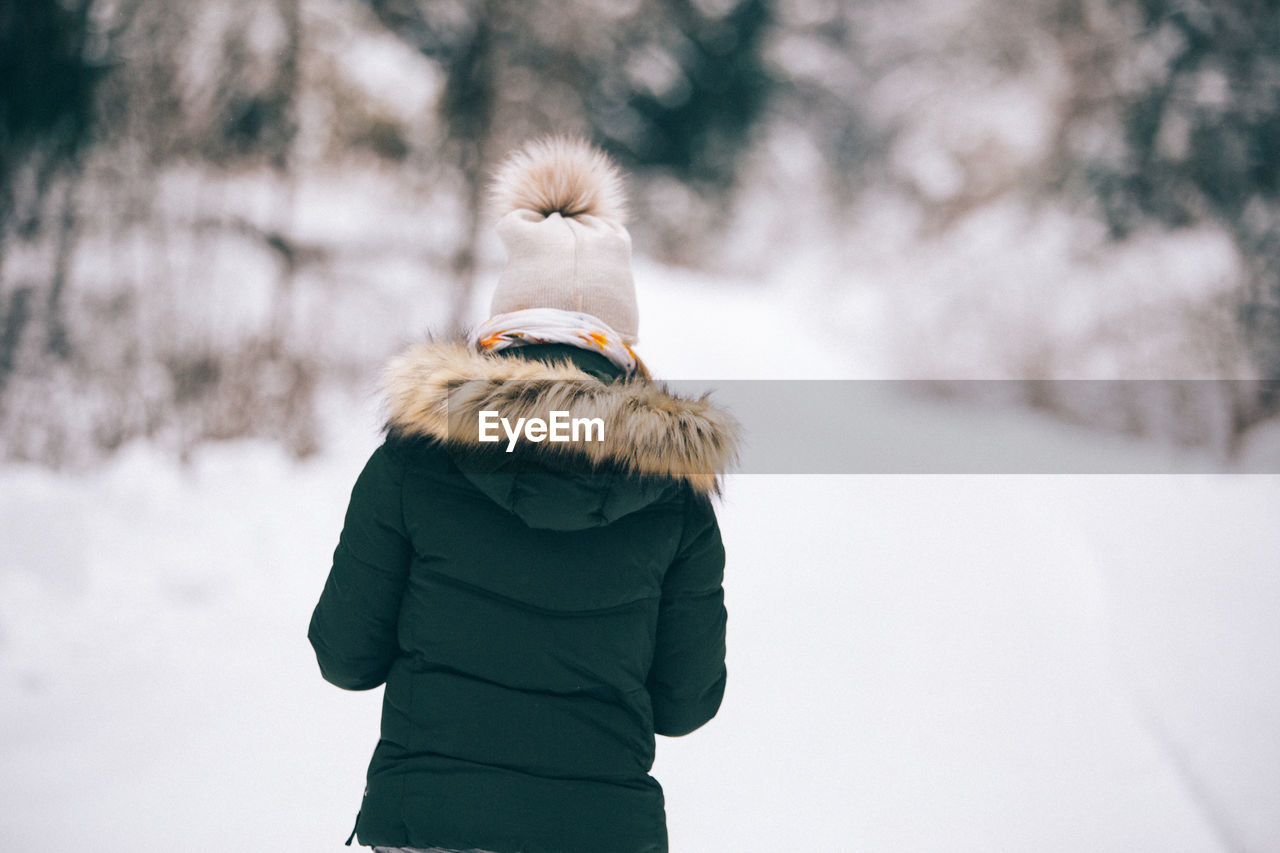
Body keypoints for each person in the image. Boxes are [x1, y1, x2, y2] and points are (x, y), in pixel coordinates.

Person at [308, 137, 739, 853]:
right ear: (621, 347)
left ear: (500, 330)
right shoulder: (674, 497)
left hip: (427, 823)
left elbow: (344, 656)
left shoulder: (415, 458)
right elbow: (686, 703)